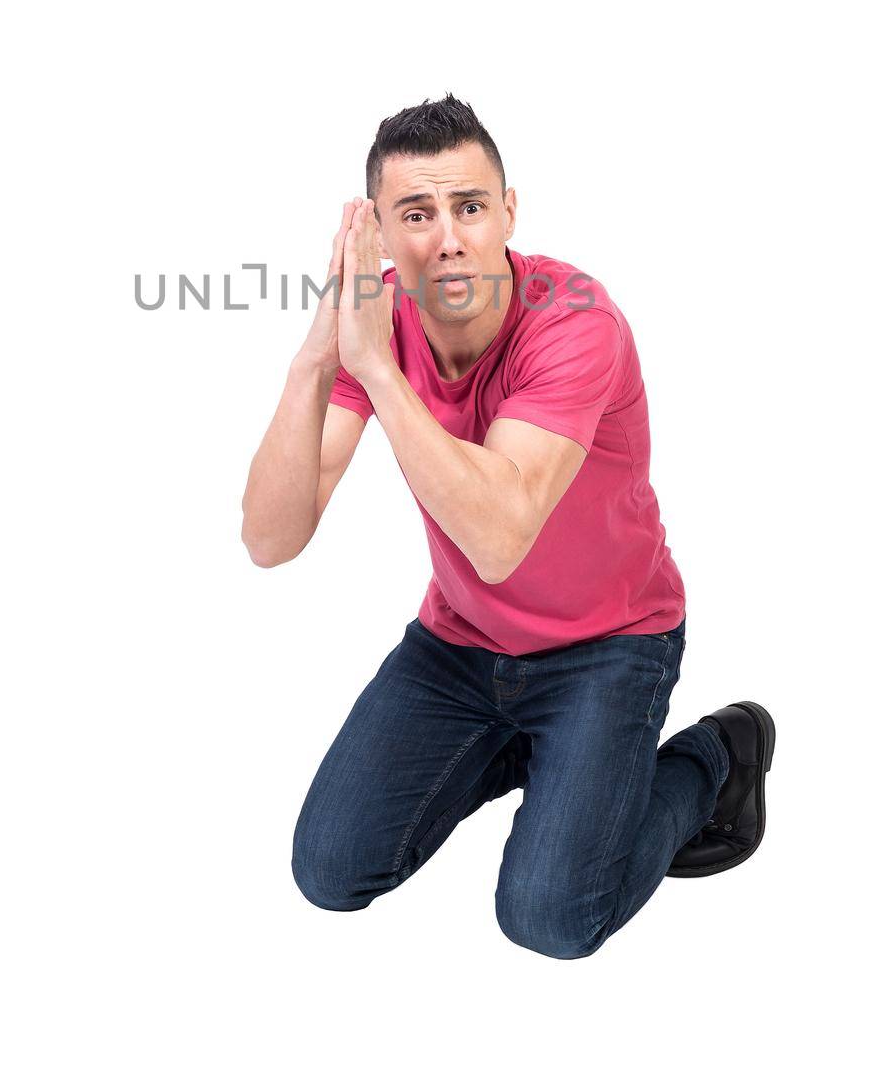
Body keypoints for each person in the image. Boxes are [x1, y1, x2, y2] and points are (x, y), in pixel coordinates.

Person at [241, 94, 775, 958]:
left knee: (552, 919)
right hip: (460, 645)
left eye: (470, 206)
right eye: (416, 213)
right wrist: (315, 362)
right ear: (376, 231)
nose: (447, 237)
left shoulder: (573, 321)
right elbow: (270, 539)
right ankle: (551, 760)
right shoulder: (374, 324)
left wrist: (374, 365)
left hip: (610, 646)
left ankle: (714, 752)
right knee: (330, 873)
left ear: (508, 212)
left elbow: (498, 539)